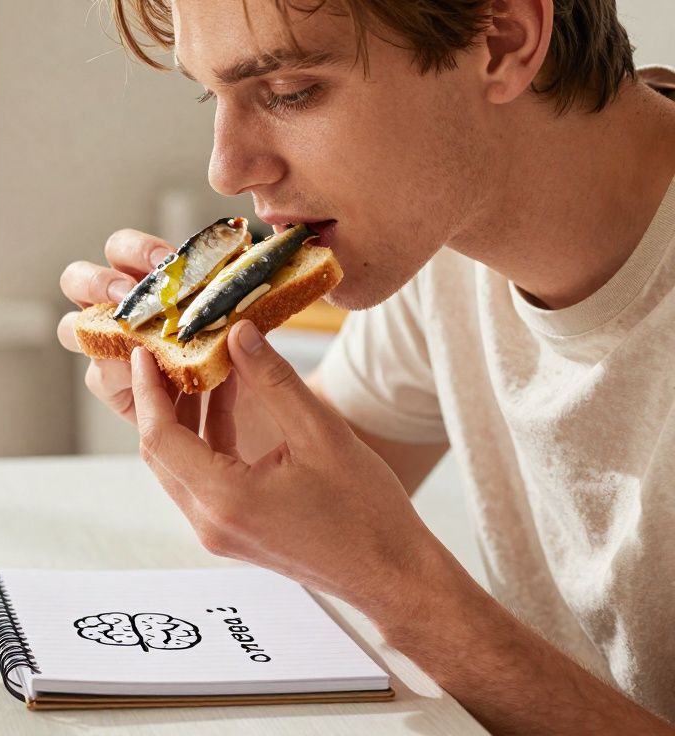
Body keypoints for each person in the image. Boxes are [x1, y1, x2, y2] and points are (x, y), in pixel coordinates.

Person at [56, 0, 675, 732]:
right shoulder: (447, 230)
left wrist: (405, 592)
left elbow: (373, 558)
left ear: (504, 39)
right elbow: (326, 484)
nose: (226, 169)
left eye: (289, 91)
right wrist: (198, 403)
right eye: (211, 95)